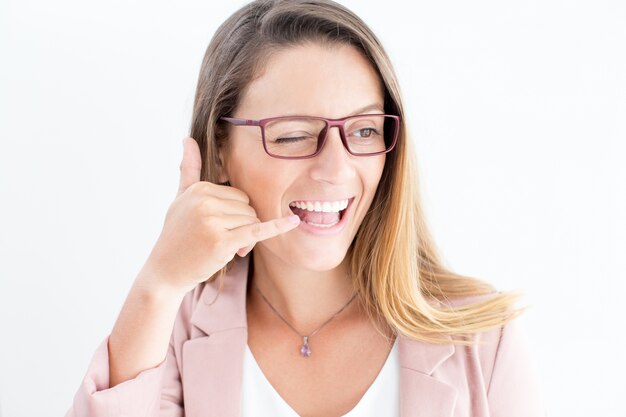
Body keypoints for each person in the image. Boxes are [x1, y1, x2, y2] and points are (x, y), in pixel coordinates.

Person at [65, 0, 545, 416]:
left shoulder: (485, 342)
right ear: (220, 150)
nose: (336, 168)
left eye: (363, 131)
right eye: (293, 135)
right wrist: (158, 283)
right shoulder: (172, 330)